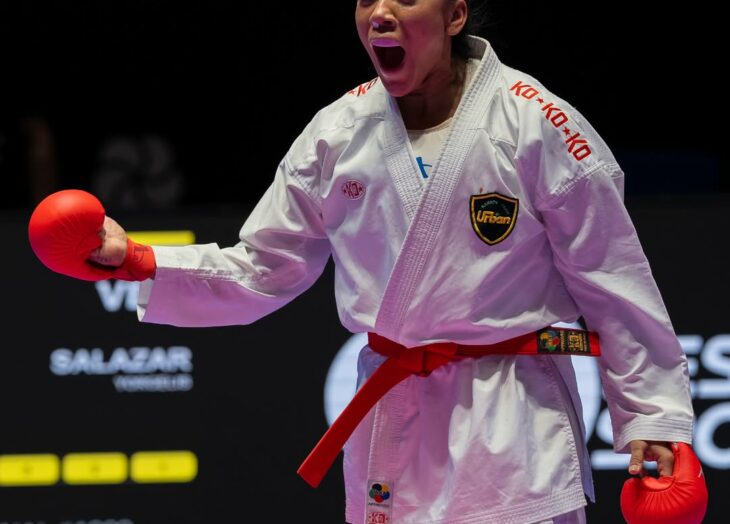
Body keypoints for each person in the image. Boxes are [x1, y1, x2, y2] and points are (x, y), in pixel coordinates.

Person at [33, 1, 695, 522]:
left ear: (454, 15)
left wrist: (656, 421)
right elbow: (264, 269)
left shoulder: (538, 123)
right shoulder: (336, 135)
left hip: (514, 420)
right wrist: (140, 260)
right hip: (395, 418)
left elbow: (612, 281)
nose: (378, 13)